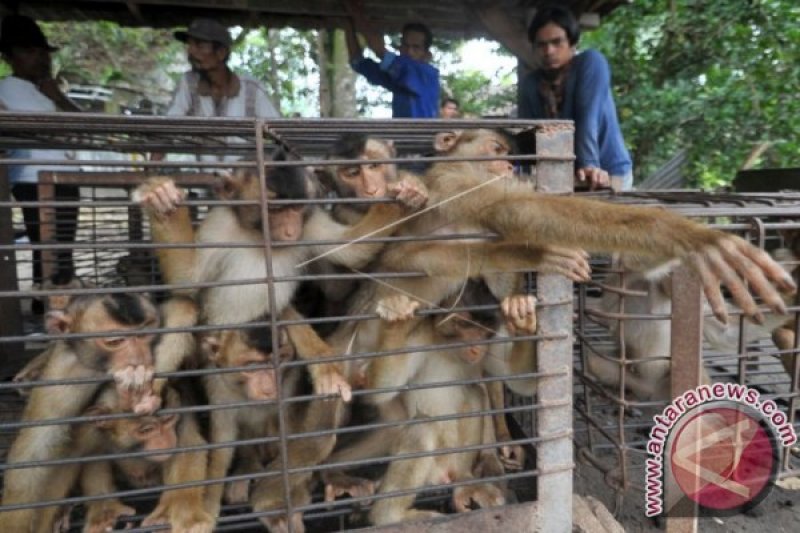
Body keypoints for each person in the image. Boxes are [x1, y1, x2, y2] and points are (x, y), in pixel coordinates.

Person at [0, 14, 81, 297]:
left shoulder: (49, 91)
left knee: (63, 246)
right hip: (32, 178)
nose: (41, 58)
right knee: (45, 244)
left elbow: (85, 126)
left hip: (67, 175)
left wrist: (58, 96)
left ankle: (56, 300)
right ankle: (47, 301)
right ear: (9, 57)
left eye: (42, 52)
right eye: (30, 52)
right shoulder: (4, 91)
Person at [518, 5, 633, 191]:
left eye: (557, 42)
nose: (549, 51)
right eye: (541, 44)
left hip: (608, 171)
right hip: (565, 179)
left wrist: (590, 164)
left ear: (572, 43)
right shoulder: (531, 83)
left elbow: (587, 118)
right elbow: (526, 135)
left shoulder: (591, 63)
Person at [344, 1, 439, 119]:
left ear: (427, 56)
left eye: (416, 47)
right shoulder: (399, 78)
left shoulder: (427, 73)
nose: (409, 51)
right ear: (399, 48)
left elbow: (379, 51)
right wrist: (348, 25)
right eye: (405, 45)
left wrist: (354, 11)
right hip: (402, 136)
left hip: (424, 137)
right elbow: (357, 61)